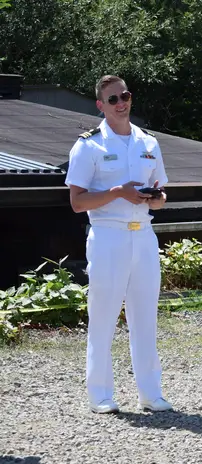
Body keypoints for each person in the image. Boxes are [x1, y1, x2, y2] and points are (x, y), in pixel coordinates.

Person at [65, 74, 173, 414]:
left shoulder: (148, 143)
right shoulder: (89, 145)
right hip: (108, 234)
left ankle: (150, 393)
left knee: (146, 316)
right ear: (100, 105)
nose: (120, 103)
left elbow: (163, 192)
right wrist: (117, 193)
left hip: (143, 234)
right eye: (112, 99)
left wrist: (156, 199)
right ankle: (100, 394)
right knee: (104, 316)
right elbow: (77, 202)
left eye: (124, 95)